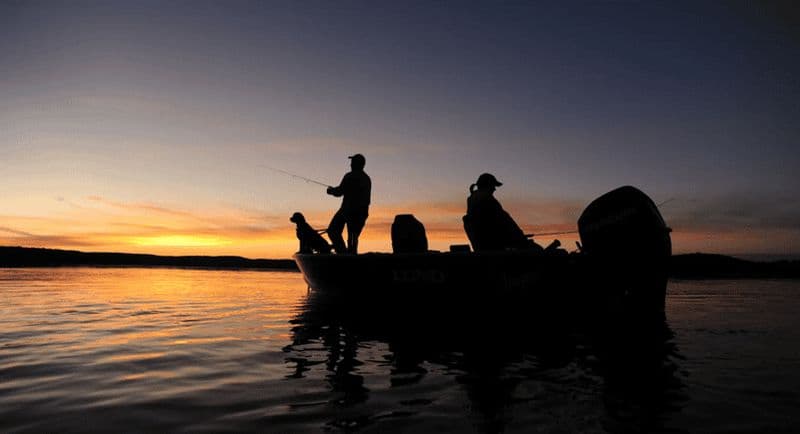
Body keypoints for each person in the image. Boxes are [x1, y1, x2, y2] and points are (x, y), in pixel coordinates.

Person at [463, 173, 534, 252]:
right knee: (535, 249)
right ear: (487, 185)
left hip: (486, 245)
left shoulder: (474, 199)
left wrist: (517, 237)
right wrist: (520, 237)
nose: (494, 189)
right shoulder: (486, 200)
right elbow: (505, 221)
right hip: (494, 246)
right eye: (493, 186)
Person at [326, 154, 371, 254]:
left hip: (348, 211)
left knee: (333, 231)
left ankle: (343, 254)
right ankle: (348, 255)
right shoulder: (367, 179)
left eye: (352, 162)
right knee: (353, 238)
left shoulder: (350, 176)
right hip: (362, 212)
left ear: (356, 164)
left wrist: (331, 190)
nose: (350, 164)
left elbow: (340, 192)